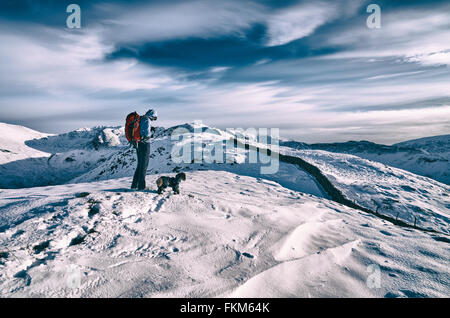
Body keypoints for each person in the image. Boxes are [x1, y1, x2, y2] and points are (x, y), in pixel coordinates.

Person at [131, 109, 157, 190]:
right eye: (155, 118)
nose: (154, 120)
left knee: (139, 165)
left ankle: (134, 185)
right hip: (145, 144)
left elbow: (141, 129)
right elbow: (145, 133)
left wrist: (150, 129)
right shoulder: (147, 120)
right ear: (152, 115)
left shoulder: (142, 118)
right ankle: (141, 186)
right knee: (144, 166)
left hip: (138, 144)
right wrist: (150, 135)